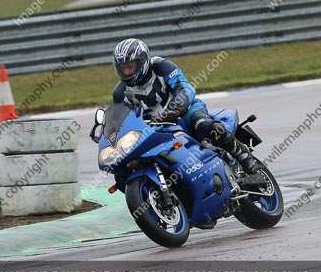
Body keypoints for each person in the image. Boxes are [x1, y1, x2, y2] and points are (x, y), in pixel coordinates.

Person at [111, 38, 259, 173]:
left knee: (204, 125)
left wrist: (174, 109)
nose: (127, 71)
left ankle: (243, 155)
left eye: (130, 66)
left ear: (142, 61)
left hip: (185, 110)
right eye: (123, 68)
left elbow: (185, 88)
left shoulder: (161, 66)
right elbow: (122, 120)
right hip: (153, 128)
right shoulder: (120, 92)